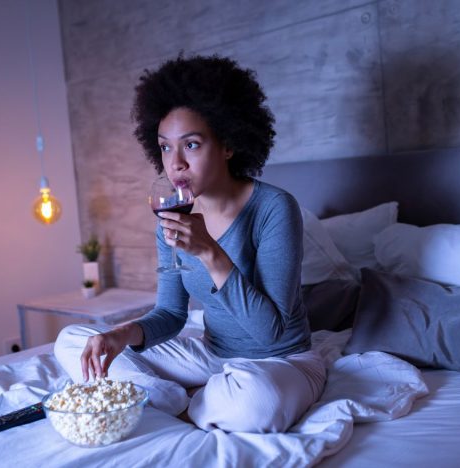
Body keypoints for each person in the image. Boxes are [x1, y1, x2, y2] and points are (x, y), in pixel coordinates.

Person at [54, 55, 326, 433]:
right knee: (74, 340)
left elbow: (271, 333)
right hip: (212, 355)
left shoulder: (274, 208)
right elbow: (170, 314)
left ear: (228, 144)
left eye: (192, 145)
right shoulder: (171, 215)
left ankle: (165, 400)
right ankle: (171, 398)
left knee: (256, 403)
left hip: (280, 362)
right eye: (165, 147)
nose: (175, 163)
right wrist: (121, 334)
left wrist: (210, 252)